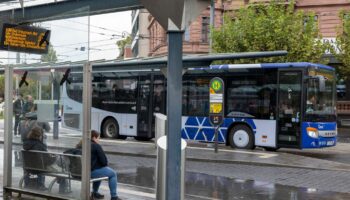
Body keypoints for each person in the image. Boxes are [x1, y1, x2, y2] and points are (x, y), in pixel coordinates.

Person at [74, 130, 121, 200]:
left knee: (99, 170)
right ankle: (114, 196)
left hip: (77, 173)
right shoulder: (96, 146)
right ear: (94, 138)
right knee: (113, 174)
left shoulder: (79, 145)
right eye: (98, 138)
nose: (99, 140)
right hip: (88, 173)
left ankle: (95, 193)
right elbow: (104, 162)